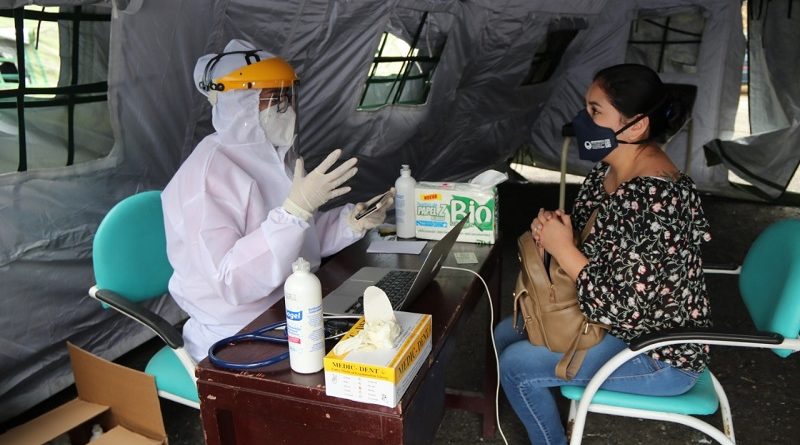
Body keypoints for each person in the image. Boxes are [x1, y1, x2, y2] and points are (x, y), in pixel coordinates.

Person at [496, 63, 711, 445]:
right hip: (618, 329)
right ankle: (555, 412)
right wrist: (553, 230)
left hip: (658, 354)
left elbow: (619, 306)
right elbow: (583, 244)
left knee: (515, 365)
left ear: (636, 126)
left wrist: (563, 249)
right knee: (505, 333)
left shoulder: (655, 198)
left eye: (596, 111)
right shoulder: (608, 171)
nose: (583, 119)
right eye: (586, 107)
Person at [162, 39, 394, 362]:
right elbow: (231, 281)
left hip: (287, 305)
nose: (287, 109)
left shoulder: (273, 158)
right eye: (275, 99)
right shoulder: (205, 177)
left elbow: (298, 242)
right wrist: (293, 213)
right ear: (241, 102)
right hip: (235, 330)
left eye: (288, 96)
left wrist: (349, 222)